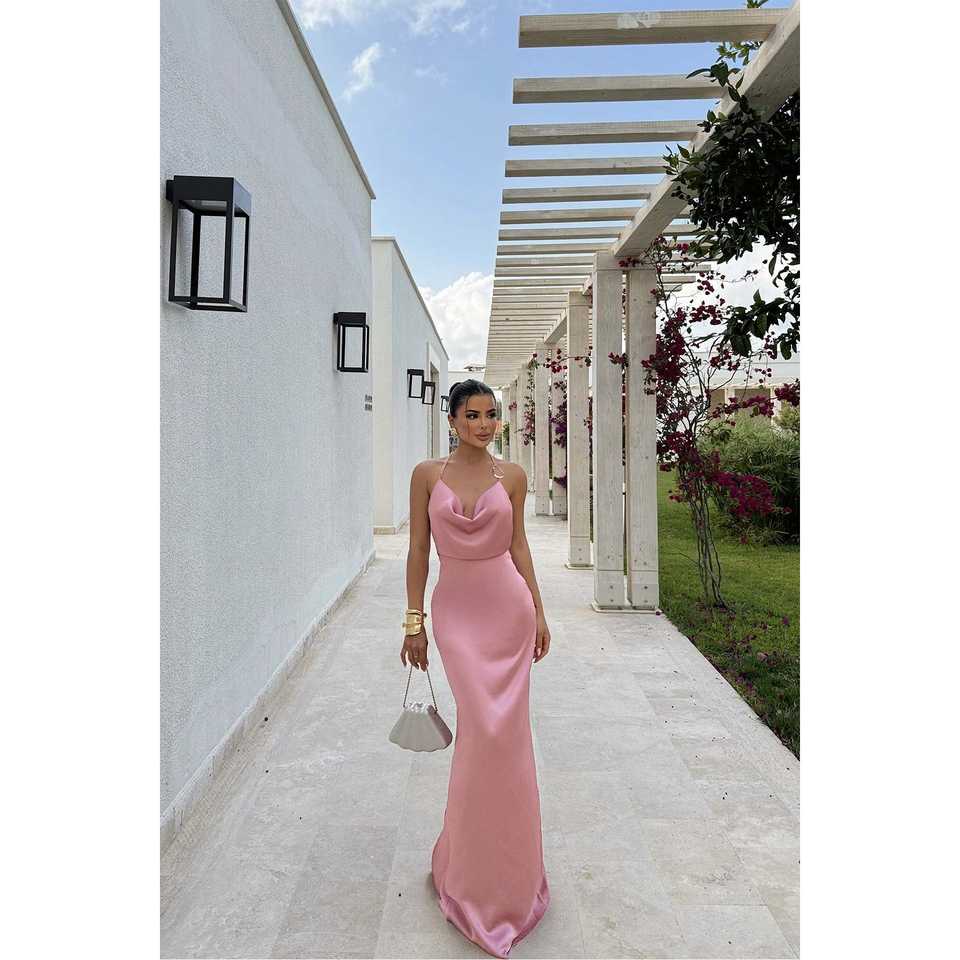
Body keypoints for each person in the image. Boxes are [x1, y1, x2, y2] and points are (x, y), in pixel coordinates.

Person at [402, 378, 551, 959]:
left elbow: (519, 547)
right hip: (457, 615)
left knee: (503, 740)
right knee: (480, 734)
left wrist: (539, 610)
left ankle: (509, 880)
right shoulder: (426, 474)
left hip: (507, 611)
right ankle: (464, 870)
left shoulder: (511, 476)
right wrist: (413, 621)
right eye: (472, 415)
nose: (484, 424)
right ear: (452, 420)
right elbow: (418, 550)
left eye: (491, 415)